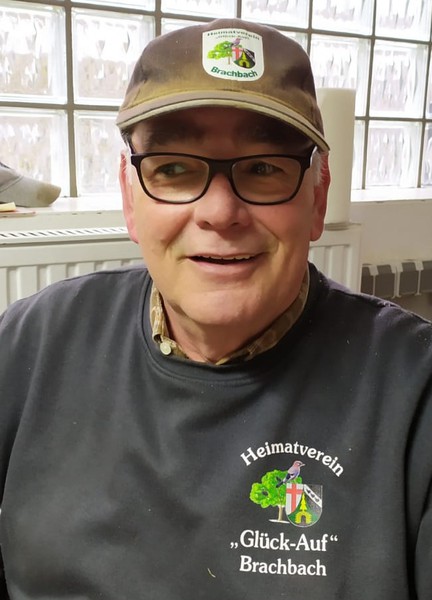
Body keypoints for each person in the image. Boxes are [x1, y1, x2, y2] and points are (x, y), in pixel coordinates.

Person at [0, 17, 431, 600]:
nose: (220, 213)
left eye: (264, 168)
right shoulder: (31, 344)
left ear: (318, 196)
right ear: (129, 196)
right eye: (174, 169)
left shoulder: (415, 393)